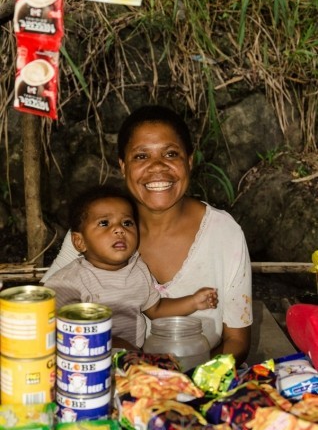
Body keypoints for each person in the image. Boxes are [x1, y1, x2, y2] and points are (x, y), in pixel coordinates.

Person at [42, 105, 252, 366]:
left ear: (189, 161)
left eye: (171, 154)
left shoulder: (224, 233)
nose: (157, 167)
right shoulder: (95, 233)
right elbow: (42, 315)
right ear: (123, 166)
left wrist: (192, 383)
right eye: (141, 156)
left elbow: (237, 340)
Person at [44, 185, 218, 349]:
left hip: (131, 360)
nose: (119, 230)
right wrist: (119, 346)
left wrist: (193, 301)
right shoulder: (68, 283)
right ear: (79, 242)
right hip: (86, 365)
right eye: (104, 223)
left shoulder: (138, 269)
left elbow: (156, 309)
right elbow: (56, 332)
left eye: (127, 223)